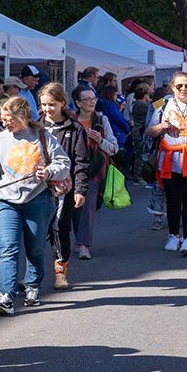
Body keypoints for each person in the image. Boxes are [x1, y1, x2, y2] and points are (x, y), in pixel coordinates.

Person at [0, 97, 69, 314]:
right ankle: (6, 295)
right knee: (8, 249)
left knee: (35, 247)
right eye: (2, 119)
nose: (4, 124)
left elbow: (63, 163)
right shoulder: (1, 139)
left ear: (23, 117)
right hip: (5, 200)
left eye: (9, 119)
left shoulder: (42, 137)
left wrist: (49, 171)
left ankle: (32, 286)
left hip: (37, 199)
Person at [147, 70, 187, 256]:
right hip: (171, 159)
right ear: (172, 87)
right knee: (173, 200)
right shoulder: (162, 103)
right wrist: (161, 126)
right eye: (179, 86)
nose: (183, 89)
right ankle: (173, 235)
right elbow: (149, 130)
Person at [40, 84, 91, 290]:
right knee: (36, 232)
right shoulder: (36, 126)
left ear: (62, 103)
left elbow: (81, 162)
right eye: (43, 104)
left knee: (59, 228)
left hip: (64, 188)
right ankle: (32, 274)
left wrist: (80, 190)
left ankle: (60, 272)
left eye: (51, 104)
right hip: (38, 187)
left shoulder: (74, 128)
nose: (47, 109)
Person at [69, 85, 118, 260]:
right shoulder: (70, 120)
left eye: (93, 98)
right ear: (78, 103)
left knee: (88, 206)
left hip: (93, 170)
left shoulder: (101, 120)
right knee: (74, 207)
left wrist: (100, 140)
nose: (91, 102)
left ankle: (84, 245)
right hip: (71, 169)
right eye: (87, 99)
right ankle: (79, 239)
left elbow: (114, 148)